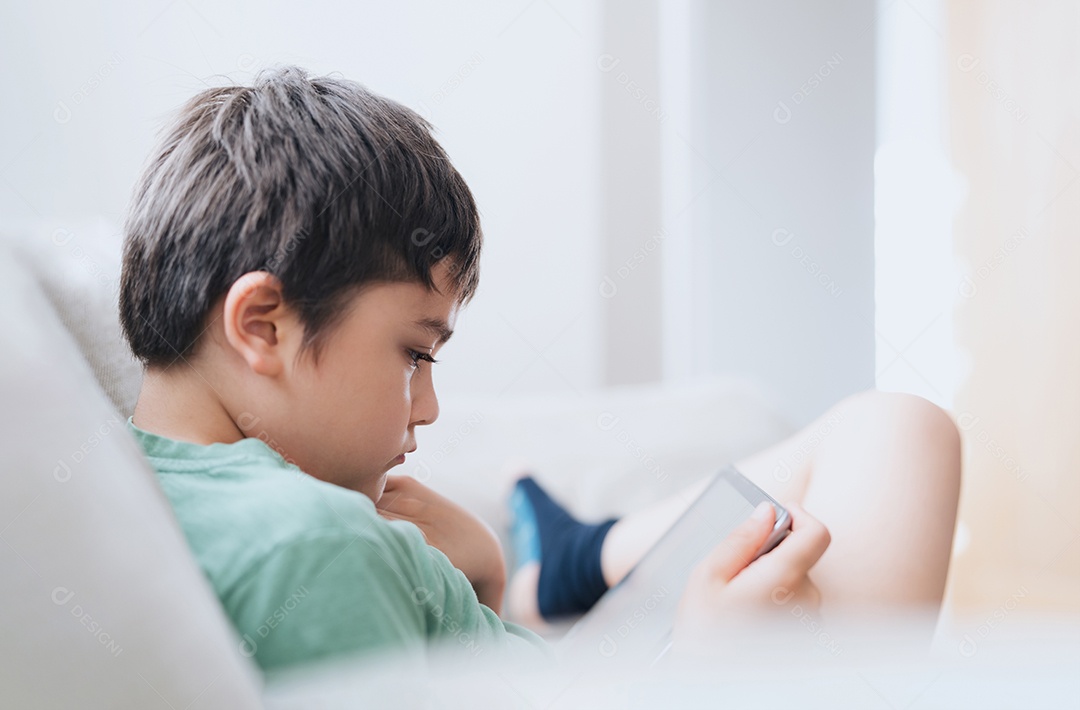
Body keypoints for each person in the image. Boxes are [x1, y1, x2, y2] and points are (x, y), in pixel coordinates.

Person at [119, 65, 959, 673]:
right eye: (414, 354)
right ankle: (571, 563)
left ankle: (562, 563)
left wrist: (480, 578)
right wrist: (709, 678)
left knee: (898, 431)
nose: (429, 408)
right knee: (905, 439)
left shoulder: (158, 482)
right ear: (262, 325)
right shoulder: (306, 547)